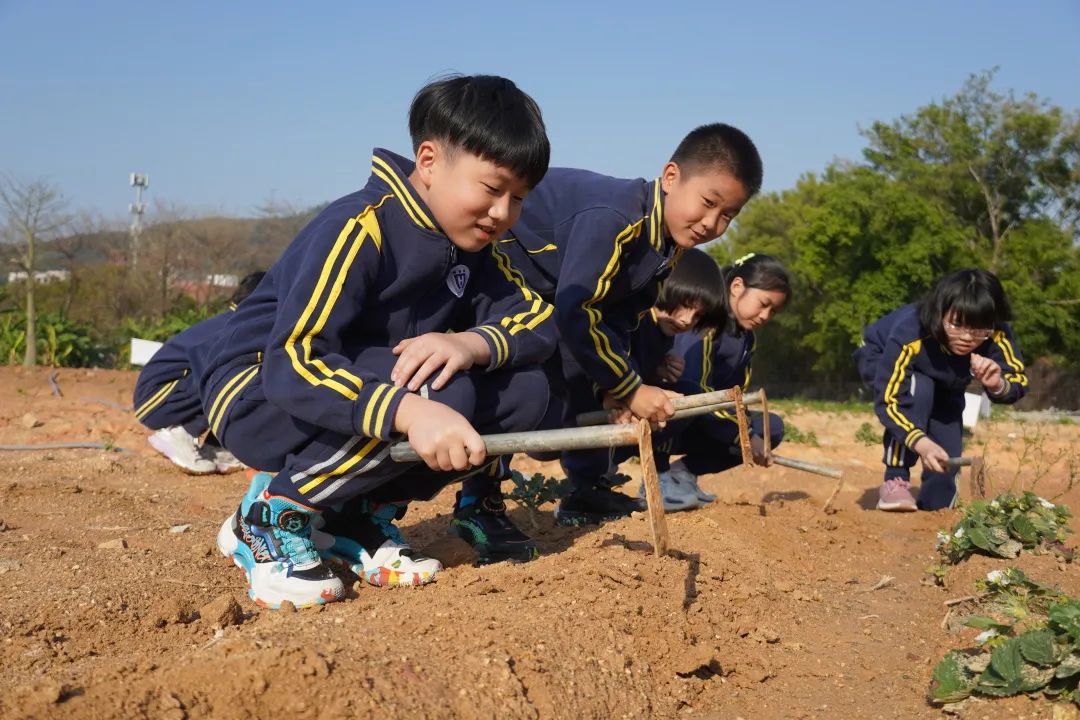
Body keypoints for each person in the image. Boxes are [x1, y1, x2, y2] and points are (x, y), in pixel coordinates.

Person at [204, 74, 555, 608]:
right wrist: (410, 412)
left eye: (519, 198)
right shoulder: (361, 226)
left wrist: (470, 344)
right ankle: (273, 515)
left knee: (523, 388)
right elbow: (293, 359)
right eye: (492, 188)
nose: (504, 212)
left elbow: (538, 320)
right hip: (259, 392)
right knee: (442, 393)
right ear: (430, 161)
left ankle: (358, 515)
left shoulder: (478, 249)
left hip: (353, 390)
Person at [464, 123, 764, 526]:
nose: (712, 223)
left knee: (598, 362)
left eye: (727, 215)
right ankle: (479, 502)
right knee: (519, 374)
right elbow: (579, 310)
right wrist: (630, 388)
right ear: (671, 177)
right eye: (707, 202)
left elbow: (621, 317)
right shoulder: (617, 218)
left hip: (554, 295)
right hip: (499, 269)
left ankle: (586, 490)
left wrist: (617, 387)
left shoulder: (666, 244)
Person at [854, 268, 1028, 512]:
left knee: (946, 461)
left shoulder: (996, 333)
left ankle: (935, 503)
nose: (967, 337)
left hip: (947, 377)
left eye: (979, 330)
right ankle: (896, 478)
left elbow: (1018, 380)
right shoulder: (911, 330)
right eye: (957, 325)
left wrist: (997, 383)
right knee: (920, 389)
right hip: (881, 355)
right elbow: (890, 400)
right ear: (940, 314)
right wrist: (921, 443)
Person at [633, 253, 790, 511]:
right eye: (763, 304)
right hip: (677, 415)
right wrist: (745, 435)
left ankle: (682, 475)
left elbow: (736, 394)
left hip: (711, 420)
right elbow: (698, 390)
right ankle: (659, 475)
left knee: (771, 429)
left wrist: (751, 431)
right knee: (683, 395)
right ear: (737, 287)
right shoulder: (707, 324)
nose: (765, 315)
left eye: (772, 311)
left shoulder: (746, 339)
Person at [132, 272, 265, 474]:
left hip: (166, 392)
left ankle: (218, 446)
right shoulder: (234, 329)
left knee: (248, 371)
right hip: (156, 399)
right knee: (239, 371)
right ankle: (181, 434)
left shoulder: (235, 322)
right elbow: (211, 371)